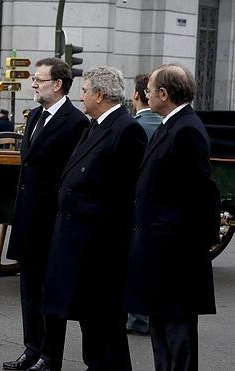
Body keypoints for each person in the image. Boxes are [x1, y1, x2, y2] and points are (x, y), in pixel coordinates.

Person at [39, 66, 146, 370]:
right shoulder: (94, 125)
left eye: (84, 90)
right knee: (90, 314)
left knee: (105, 316)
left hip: (101, 241)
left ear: (99, 94)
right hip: (78, 236)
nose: (80, 96)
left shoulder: (127, 129)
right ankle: (95, 364)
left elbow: (124, 193)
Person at [125, 64, 218, 370]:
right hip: (158, 251)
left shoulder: (187, 128)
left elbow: (199, 195)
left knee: (178, 338)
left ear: (163, 94)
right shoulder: (170, 124)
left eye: (150, 89)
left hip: (174, 256)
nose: (145, 94)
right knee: (161, 333)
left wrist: (179, 247)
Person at [2, 58, 89, 371]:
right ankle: (31, 348)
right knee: (29, 289)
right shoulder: (36, 114)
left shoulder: (76, 121)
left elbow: (72, 174)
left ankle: (50, 356)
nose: (34, 84)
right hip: (28, 218)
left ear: (58, 84)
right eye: (34, 79)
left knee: (51, 292)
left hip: (53, 221)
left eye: (39, 79)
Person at [125, 73, 163, 335]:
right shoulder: (165, 126)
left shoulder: (132, 127)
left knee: (135, 262)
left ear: (137, 96)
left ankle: (138, 318)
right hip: (159, 207)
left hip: (134, 204)